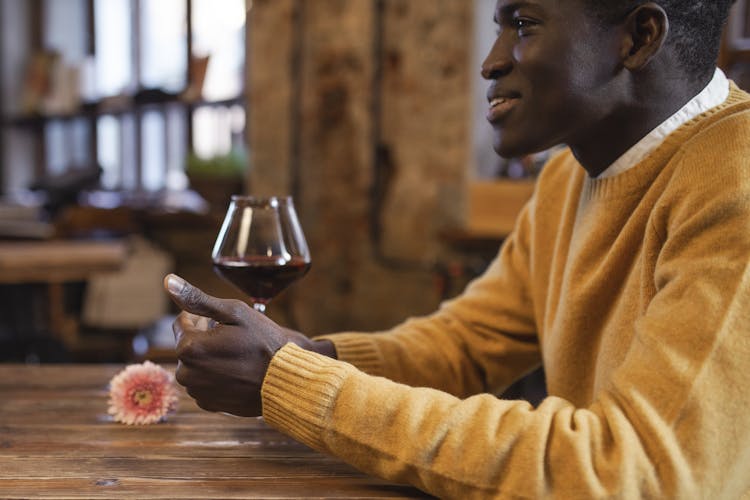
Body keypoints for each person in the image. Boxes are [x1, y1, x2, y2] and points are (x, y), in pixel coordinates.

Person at [163, 0, 750, 497]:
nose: (491, 62)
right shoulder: (567, 179)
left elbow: (630, 470)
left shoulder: (735, 180)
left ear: (638, 38)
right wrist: (306, 357)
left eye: (524, 24)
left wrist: (291, 382)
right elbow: (465, 346)